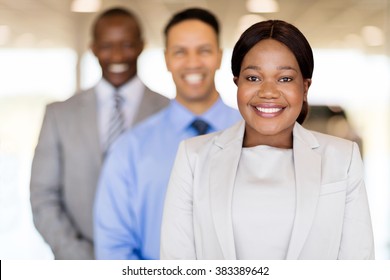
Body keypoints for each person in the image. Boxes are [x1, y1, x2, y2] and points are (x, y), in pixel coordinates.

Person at [160, 20, 375, 260]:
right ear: (236, 84)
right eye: (253, 78)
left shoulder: (342, 158)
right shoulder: (193, 157)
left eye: (284, 79)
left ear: (305, 88)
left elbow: (358, 264)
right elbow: (176, 263)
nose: (268, 92)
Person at [94, 7, 242, 260]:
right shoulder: (131, 148)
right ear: (166, 59)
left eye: (204, 50)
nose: (193, 62)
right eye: (180, 52)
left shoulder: (257, 135)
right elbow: (113, 248)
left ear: (219, 56)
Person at [30, 7, 169, 259]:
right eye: (106, 45)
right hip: (80, 261)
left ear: (141, 46)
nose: (117, 55)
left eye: (127, 44)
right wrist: (81, 258)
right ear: (93, 48)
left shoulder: (170, 113)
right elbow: (43, 196)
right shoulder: (59, 115)